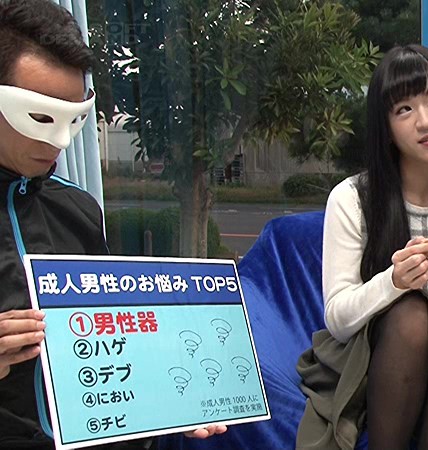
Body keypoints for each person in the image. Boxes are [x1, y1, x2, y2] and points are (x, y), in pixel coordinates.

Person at [0, 1, 225, 448]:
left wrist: (173, 401)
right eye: (40, 117)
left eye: (75, 118)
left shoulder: (77, 209)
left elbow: (115, 339)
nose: (59, 141)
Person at [295, 44, 428, 450]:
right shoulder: (353, 197)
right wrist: (392, 282)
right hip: (371, 360)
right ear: (386, 128)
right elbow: (337, 318)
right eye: (404, 109)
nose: (426, 121)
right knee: (411, 314)